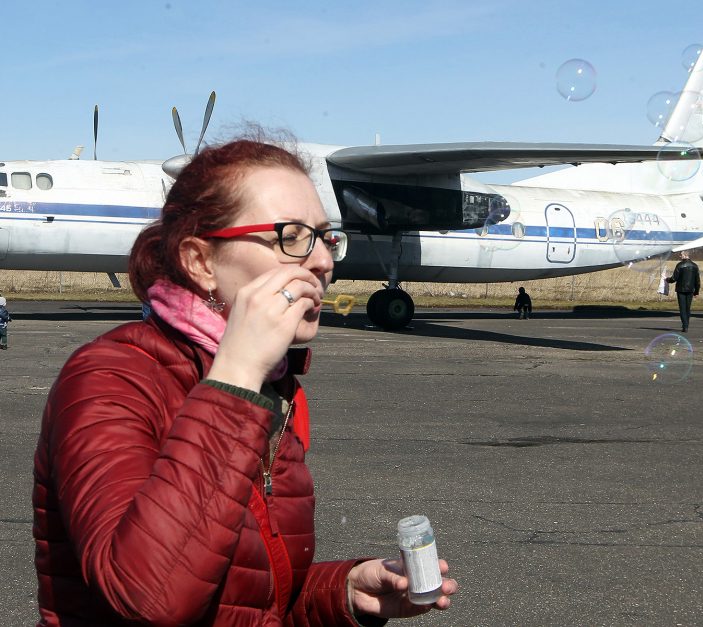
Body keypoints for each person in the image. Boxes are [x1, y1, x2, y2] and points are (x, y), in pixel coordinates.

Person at [32, 138, 457, 625]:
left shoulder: (272, 385)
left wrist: (342, 592)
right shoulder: (112, 376)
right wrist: (236, 375)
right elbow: (149, 598)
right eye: (292, 236)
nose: (323, 262)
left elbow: (253, 601)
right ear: (200, 262)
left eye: (326, 237)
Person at [665, 251, 700, 333]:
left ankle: (685, 325)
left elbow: (674, 278)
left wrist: (667, 280)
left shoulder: (680, 265)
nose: (680, 256)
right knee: (688, 308)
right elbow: (697, 281)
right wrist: (696, 291)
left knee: (682, 308)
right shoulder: (695, 266)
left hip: (681, 289)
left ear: (685, 255)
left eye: (681, 255)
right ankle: (686, 324)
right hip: (691, 289)